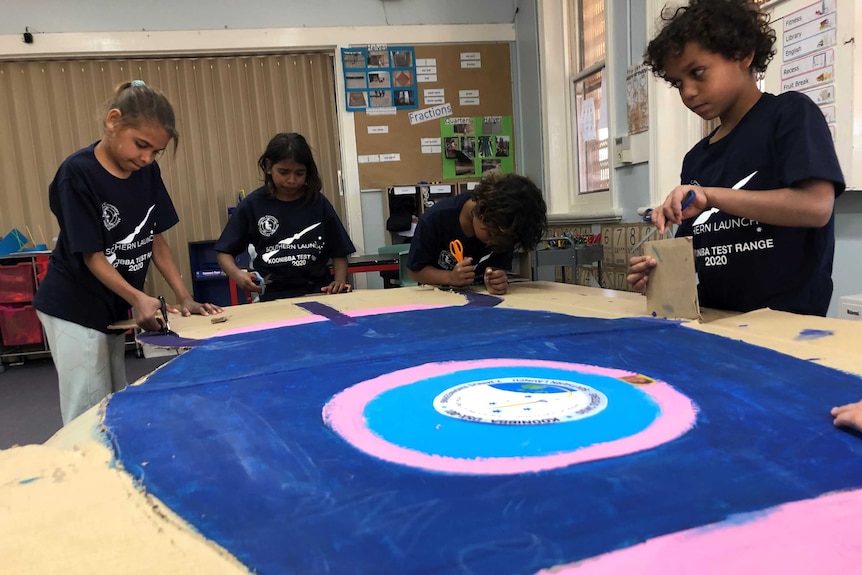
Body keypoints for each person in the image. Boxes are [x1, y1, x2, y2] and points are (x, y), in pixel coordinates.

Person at [626, 0, 844, 316]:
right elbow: (696, 250)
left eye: (697, 73)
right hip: (717, 321)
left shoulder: (791, 115)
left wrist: (711, 196)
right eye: (678, 83)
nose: (688, 91)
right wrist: (658, 272)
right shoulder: (696, 159)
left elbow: (816, 207)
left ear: (743, 54)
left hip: (787, 326)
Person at [33, 80, 222, 425]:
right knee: (88, 410)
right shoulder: (77, 173)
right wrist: (139, 297)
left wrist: (184, 296)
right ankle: (85, 475)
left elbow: (155, 237)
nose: (147, 157)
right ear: (113, 121)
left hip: (112, 304)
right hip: (73, 305)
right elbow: (92, 256)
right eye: (141, 145)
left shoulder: (146, 171)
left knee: (114, 401)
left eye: (156, 151)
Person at [216, 132, 356, 301]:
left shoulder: (318, 202)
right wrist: (237, 275)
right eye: (284, 172)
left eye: (299, 173)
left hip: (318, 291)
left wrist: (339, 281)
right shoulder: (252, 204)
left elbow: (339, 251)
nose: (292, 180)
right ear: (268, 166)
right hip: (273, 295)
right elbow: (224, 253)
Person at [407, 172, 547, 295]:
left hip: (481, 301)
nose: (495, 244)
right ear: (482, 210)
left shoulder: (506, 228)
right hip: (438, 298)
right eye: (493, 236)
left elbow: (497, 268)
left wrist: (497, 280)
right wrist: (450, 278)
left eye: (506, 242)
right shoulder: (436, 219)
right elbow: (414, 270)